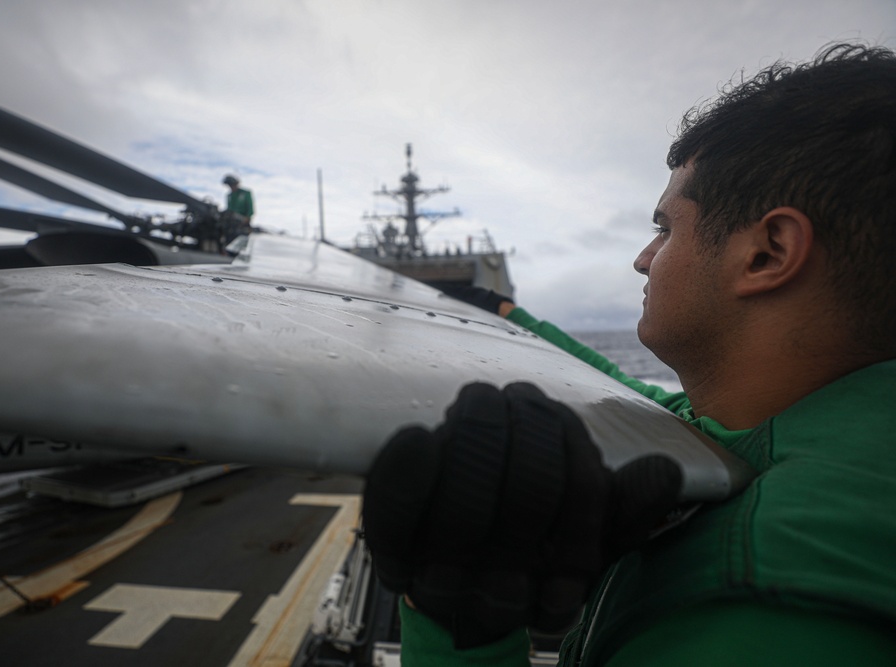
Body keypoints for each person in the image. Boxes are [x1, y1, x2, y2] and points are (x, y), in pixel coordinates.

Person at [362, 43, 896, 666]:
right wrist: (506, 314)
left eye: (665, 228)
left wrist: (461, 629)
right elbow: (629, 392)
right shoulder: (820, 428)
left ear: (767, 253)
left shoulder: (752, 611)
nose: (643, 258)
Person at [222, 173, 254, 239]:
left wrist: (247, 217)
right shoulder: (229, 196)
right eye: (229, 185)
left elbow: (250, 208)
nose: (231, 187)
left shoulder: (246, 193)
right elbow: (229, 208)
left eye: (232, 185)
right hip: (231, 222)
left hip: (242, 220)